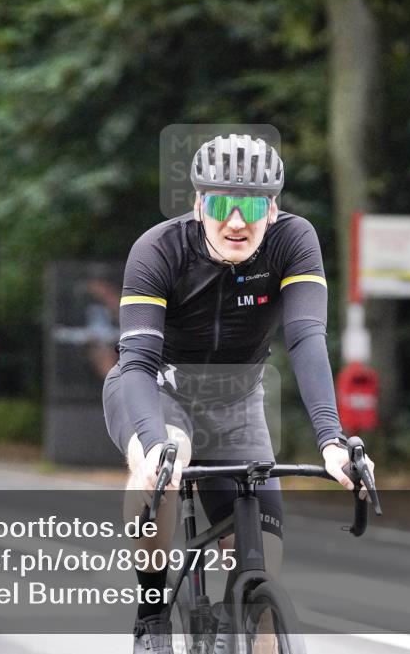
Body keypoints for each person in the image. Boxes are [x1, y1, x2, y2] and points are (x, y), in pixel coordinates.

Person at [102, 134, 376, 653]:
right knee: (162, 457)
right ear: (198, 204)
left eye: (250, 205)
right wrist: (155, 442)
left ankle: (240, 629)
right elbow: (136, 363)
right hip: (157, 389)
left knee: (263, 571)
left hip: (236, 403)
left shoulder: (294, 240)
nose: (235, 221)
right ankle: (153, 614)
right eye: (221, 204)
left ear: (272, 209)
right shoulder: (158, 249)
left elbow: (305, 339)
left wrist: (332, 441)